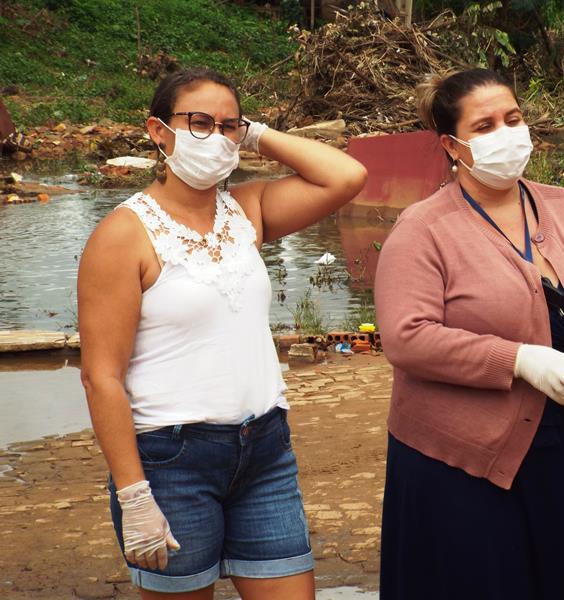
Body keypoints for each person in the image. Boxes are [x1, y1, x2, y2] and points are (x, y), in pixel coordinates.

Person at [77, 68, 367, 600]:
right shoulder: (123, 234)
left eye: (228, 126)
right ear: (158, 132)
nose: (215, 137)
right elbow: (101, 377)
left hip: (265, 451)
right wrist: (134, 494)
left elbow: (345, 176)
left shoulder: (246, 210)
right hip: (171, 462)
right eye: (199, 123)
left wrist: (254, 134)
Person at [374, 68, 564, 600]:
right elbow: (406, 337)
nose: (507, 133)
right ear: (453, 146)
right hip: (461, 460)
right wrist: (519, 360)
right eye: (486, 125)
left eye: (513, 118)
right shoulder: (423, 228)